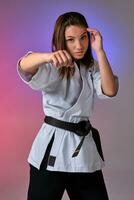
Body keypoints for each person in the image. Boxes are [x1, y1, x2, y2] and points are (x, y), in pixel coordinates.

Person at [17, 11, 118, 200]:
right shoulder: (52, 64)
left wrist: (100, 51)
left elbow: (110, 90)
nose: (79, 45)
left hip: (83, 147)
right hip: (52, 147)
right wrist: (48, 57)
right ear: (61, 40)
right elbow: (24, 65)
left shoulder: (92, 67)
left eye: (83, 38)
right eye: (71, 39)